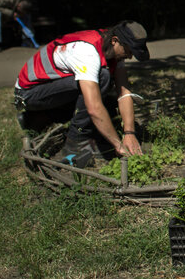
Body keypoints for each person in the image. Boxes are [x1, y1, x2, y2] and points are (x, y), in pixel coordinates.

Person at [14, 20, 150, 168]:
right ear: (115, 41)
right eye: (129, 51)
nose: (130, 57)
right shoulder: (88, 52)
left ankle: (38, 118)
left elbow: (124, 93)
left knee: (110, 106)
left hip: (52, 91)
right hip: (29, 94)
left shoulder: (113, 49)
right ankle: (75, 143)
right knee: (102, 79)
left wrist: (129, 133)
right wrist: (119, 146)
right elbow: (94, 108)